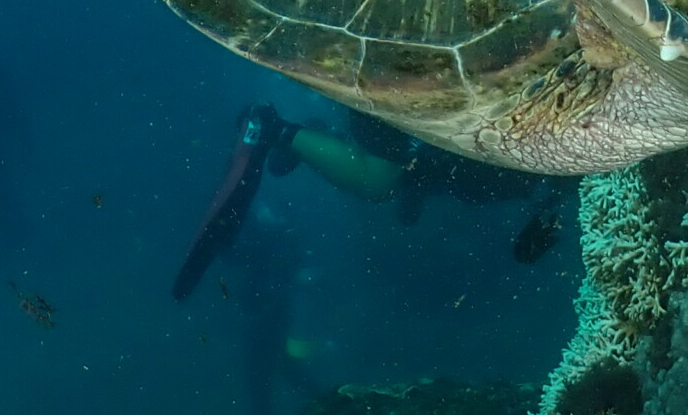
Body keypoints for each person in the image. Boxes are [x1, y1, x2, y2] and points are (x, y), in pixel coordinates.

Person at [172, 104, 566, 305]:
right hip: (424, 118)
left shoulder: (551, 172)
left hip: (441, 148)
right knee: (377, 182)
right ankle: (275, 130)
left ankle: (314, 137)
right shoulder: (556, 161)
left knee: (400, 176)